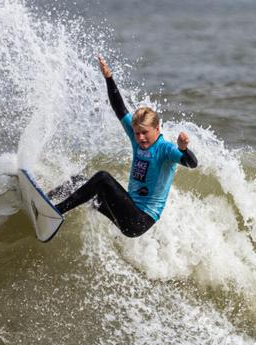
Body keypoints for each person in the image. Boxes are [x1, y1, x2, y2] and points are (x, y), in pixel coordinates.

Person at [52, 55, 198, 237]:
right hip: (126, 209)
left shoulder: (165, 149)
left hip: (140, 220)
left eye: (145, 132)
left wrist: (184, 149)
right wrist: (108, 78)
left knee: (103, 178)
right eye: (137, 133)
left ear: (157, 128)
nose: (141, 137)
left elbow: (191, 164)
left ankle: (55, 211)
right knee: (79, 181)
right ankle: (46, 199)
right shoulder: (138, 139)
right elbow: (119, 108)